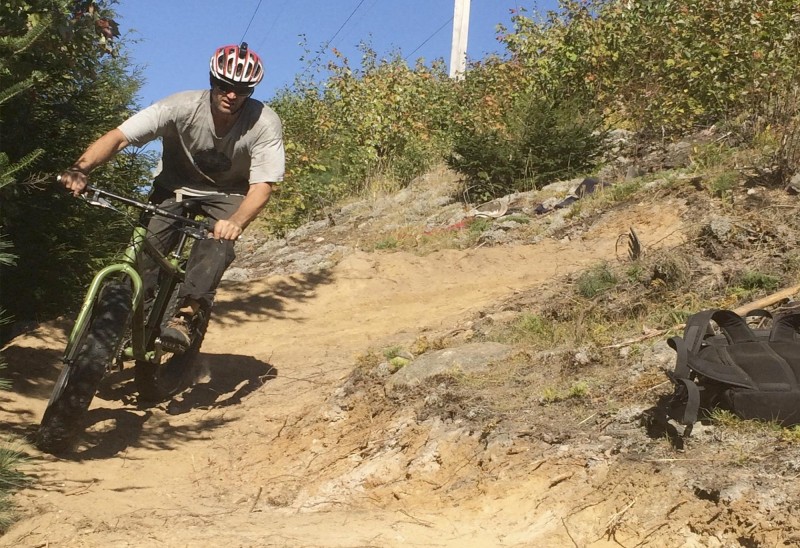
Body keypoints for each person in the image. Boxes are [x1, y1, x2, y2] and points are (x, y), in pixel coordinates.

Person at [59, 42, 285, 349]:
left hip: (228, 192)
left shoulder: (264, 123)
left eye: (242, 90)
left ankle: (188, 314)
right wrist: (80, 169)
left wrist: (236, 222)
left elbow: (262, 186)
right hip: (174, 186)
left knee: (217, 243)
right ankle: (134, 317)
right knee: (145, 250)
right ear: (212, 81)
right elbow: (119, 137)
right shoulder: (180, 107)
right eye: (224, 86)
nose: (232, 95)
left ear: (251, 91)